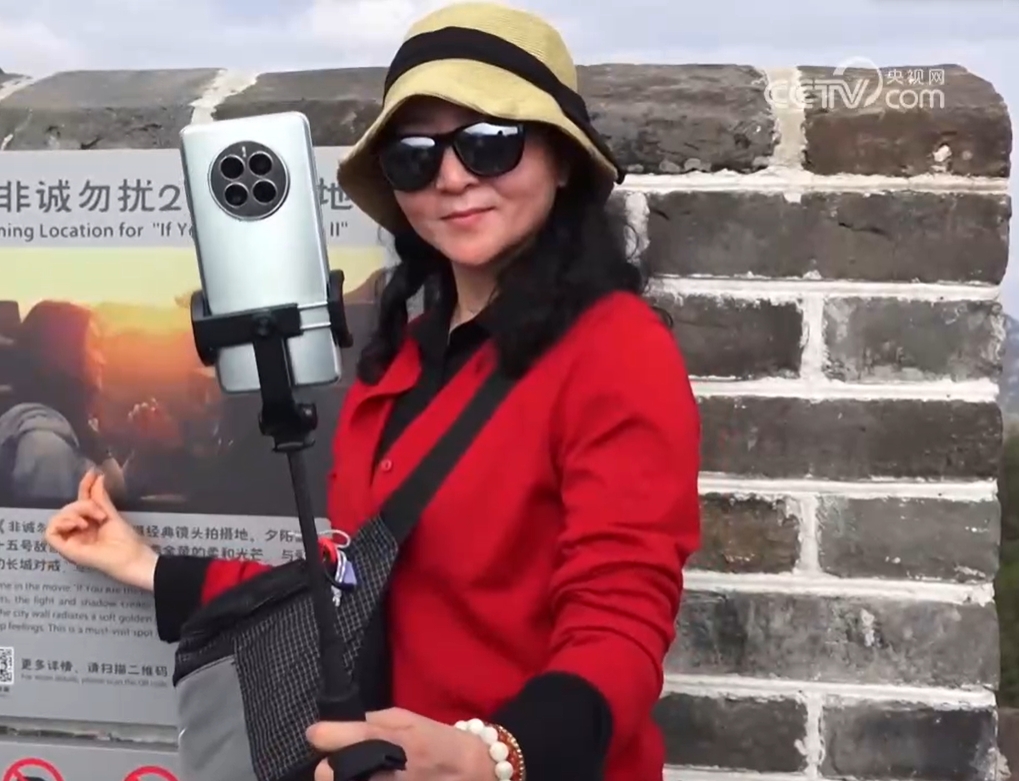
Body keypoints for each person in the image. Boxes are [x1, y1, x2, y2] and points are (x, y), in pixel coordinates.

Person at [44, 4, 701, 781]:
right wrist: (146, 565)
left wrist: (493, 753)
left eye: (490, 142)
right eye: (415, 155)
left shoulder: (613, 349)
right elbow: (354, 581)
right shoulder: (402, 363)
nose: (452, 177)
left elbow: (620, 616)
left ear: (560, 160)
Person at [0, 299, 173, 507]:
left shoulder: (74, 428)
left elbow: (112, 499)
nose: (103, 361)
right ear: (65, 356)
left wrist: (145, 447)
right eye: (95, 347)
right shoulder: (46, 450)